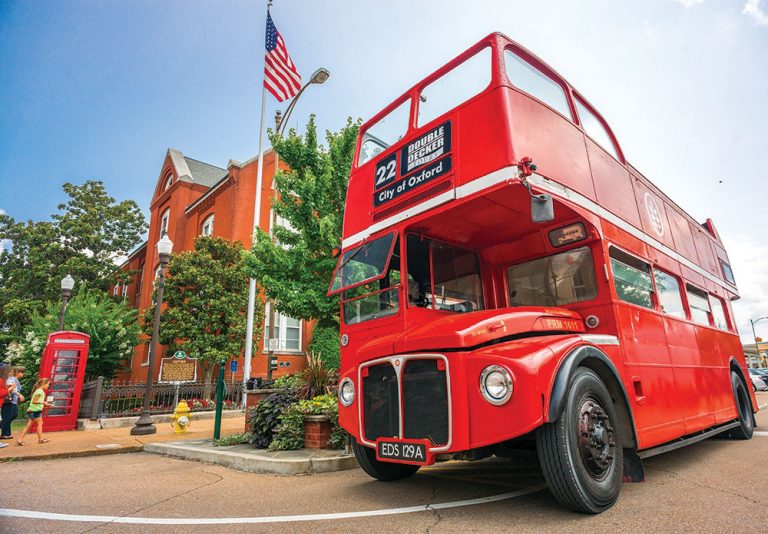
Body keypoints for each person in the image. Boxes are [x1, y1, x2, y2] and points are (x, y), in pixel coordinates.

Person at [16, 378, 53, 446]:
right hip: (35, 411)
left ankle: (20, 440)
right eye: (48, 384)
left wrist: (44, 403)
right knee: (40, 423)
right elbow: (34, 401)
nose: (48, 386)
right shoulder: (39, 391)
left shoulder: (39, 391)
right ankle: (40, 439)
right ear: (43, 384)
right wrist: (44, 403)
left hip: (33, 410)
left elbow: (36, 402)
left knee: (28, 425)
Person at [1, 366, 25, 439]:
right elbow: (11, 389)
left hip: (12, 400)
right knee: (7, 417)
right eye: (22, 372)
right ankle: (5, 434)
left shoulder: (13, 379)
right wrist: (19, 394)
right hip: (8, 400)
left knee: (13, 414)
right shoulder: (10, 379)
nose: (12, 372)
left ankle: (4, 426)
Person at [0, 367, 13, 449]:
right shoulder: (1, 380)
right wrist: (10, 389)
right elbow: (1, 393)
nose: (11, 374)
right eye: (10, 372)